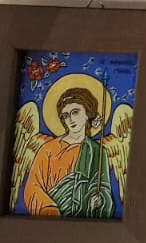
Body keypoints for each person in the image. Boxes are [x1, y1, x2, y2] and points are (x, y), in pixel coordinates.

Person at [22, 87, 116, 218]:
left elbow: (103, 187)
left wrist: (99, 199)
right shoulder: (48, 149)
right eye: (66, 116)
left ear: (87, 113)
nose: (71, 119)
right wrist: (50, 211)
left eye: (75, 112)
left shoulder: (96, 151)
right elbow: (33, 188)